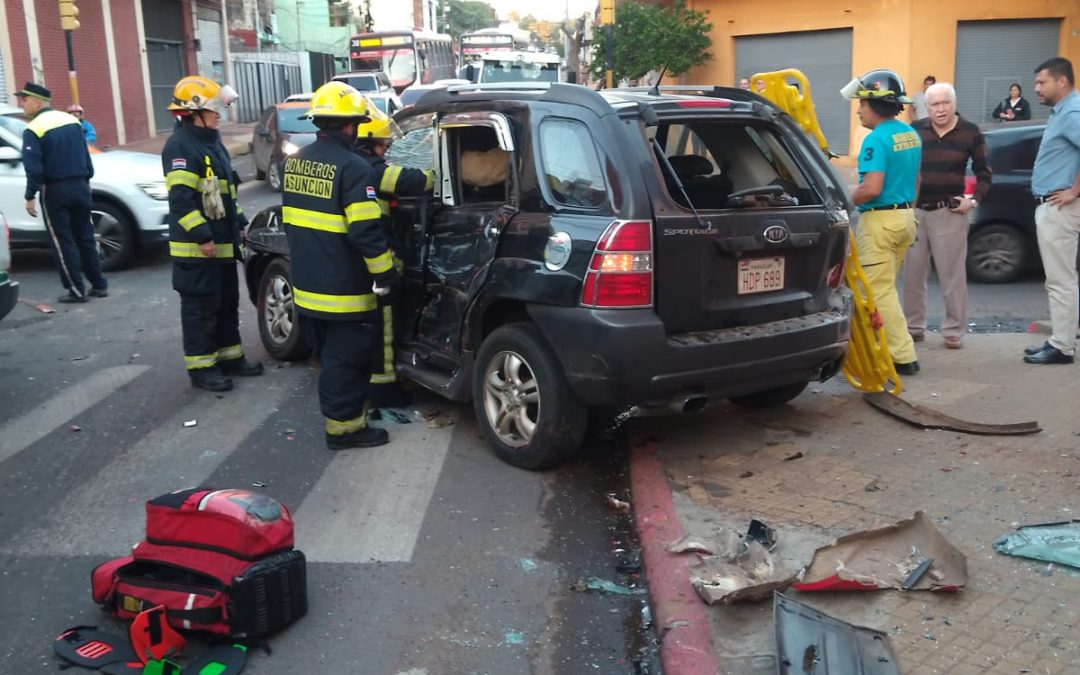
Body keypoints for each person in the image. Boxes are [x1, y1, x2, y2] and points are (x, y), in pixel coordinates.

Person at [283, 82, 397, 450]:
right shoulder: (353, 167)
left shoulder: (295, 161)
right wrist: (384, 271)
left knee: (329, 355)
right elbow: (365, 230)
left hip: (307, 284)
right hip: (344, 289)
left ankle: (347, 419)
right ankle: (345, 430)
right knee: (345, 361)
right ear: (350, 126)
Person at [163, 75, 263, 391]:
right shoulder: (180, 146)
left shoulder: (211, 141)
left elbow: (225, 192)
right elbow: (181, 202)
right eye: (214, 108)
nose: (220, 113)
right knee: (200, 311)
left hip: (221, 246)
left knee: (225, 305)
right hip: (197, 251)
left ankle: (230, 358)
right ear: (194, 112)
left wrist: (241, 222)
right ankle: (203, 369)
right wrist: (203, 236)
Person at [841, 69, 923, 375]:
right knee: (887, 287)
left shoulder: (875, 140)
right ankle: (897, 349)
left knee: (877, 291)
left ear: (875, 104)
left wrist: (843, 197)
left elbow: (871, 188)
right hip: (905, 218)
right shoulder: (909, 133)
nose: (859, 109)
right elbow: (917, 179)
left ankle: (901, 357)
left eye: (862, 102)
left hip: (880, 222)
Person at [354, 103, 434, 408]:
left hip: (358, 261)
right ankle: (383, 388)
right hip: (378, 262)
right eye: (382, 145)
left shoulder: (354, 165)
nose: (386, 151)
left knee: (369, 325)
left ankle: (370, 379)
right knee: (383, 326)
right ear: (368, 143)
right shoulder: (372, 170)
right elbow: (411, 181)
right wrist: (436, 175)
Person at [904, 82, 991, 350]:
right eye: (934, 104)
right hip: (916, 211)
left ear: (954, 103)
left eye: (945, 103)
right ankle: (913, 328)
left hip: (949, 213)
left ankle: (954, 330)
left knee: (952, 277)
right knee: (912, 275)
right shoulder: (915, 130)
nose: (940, 109)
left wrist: (973, 201)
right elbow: (903, 167)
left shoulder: (971, 132)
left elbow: (984, 172)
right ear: (926, 107)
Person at [15, 82, 108, 303]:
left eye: (24, 99)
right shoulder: (73, 121)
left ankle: (76, 290)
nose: (22, 103)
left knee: (62, 241)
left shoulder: (34, 128)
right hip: (81, 186)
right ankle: (99, 284)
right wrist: (87, 178)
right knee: (85, 237)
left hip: (56, 190)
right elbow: (85, 155)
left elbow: (34, 168)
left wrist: (30, 196)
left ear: (37, 102)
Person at [1023, 57, 1080, 365]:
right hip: (1056, 205)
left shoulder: (1072, 112)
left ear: (1062, 81)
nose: (1037, 89)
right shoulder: (1065, 111)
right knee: (1064, 279)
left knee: (1060, 280)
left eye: (1042, 82)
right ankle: (1063, 337)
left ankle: (1062, 346)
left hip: (1060, 208)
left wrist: (1074, 190)